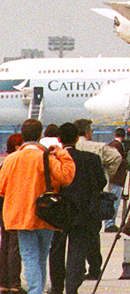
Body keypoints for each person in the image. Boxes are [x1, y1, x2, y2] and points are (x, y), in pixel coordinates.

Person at [0, 119, 75, 294]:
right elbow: (66, 176)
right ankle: (38, 289)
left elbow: (2, 187)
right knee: (41, 256)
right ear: (40, 135)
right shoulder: (47, 158)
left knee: (29, 256)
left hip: (20, 215)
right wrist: (62, 153)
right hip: (46, 213)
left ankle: (35, 290)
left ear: (23, 135)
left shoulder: (12, 159)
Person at [47, 124, 104, 294]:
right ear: (77, 138)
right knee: (77, 250)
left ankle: (57, 286)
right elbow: (101, 182)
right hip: (82, 210)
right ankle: (72, 286)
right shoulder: (91, 159)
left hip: (58, 210)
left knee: (56, 249)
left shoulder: (54, 158)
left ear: (59, 139)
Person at [69, 120, 117, 280]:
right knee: (92, 235)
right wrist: (108, 175)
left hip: (72, 197)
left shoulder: (67, 150)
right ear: (88, 132)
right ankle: (95, 268)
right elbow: (116, 157)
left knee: (73, 236)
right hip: (93, 197)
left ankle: (77, 268)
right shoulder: (98, 147)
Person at [1, 133, 24, 294]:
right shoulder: (17, 162)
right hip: (14, 206)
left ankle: (4, 283)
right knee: (14, 246)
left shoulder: (4, 163)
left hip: (3, 206)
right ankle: (14, 283)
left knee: (5, 245)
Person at [103, 129, 127, 233]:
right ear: (124, 136)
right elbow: (120, 160)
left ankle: (109, 222)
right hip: (116, 178)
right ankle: (110, 223)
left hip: (112, 177)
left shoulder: (110, 145)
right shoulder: (118, 146)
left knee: (111, 201)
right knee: (114, 202)